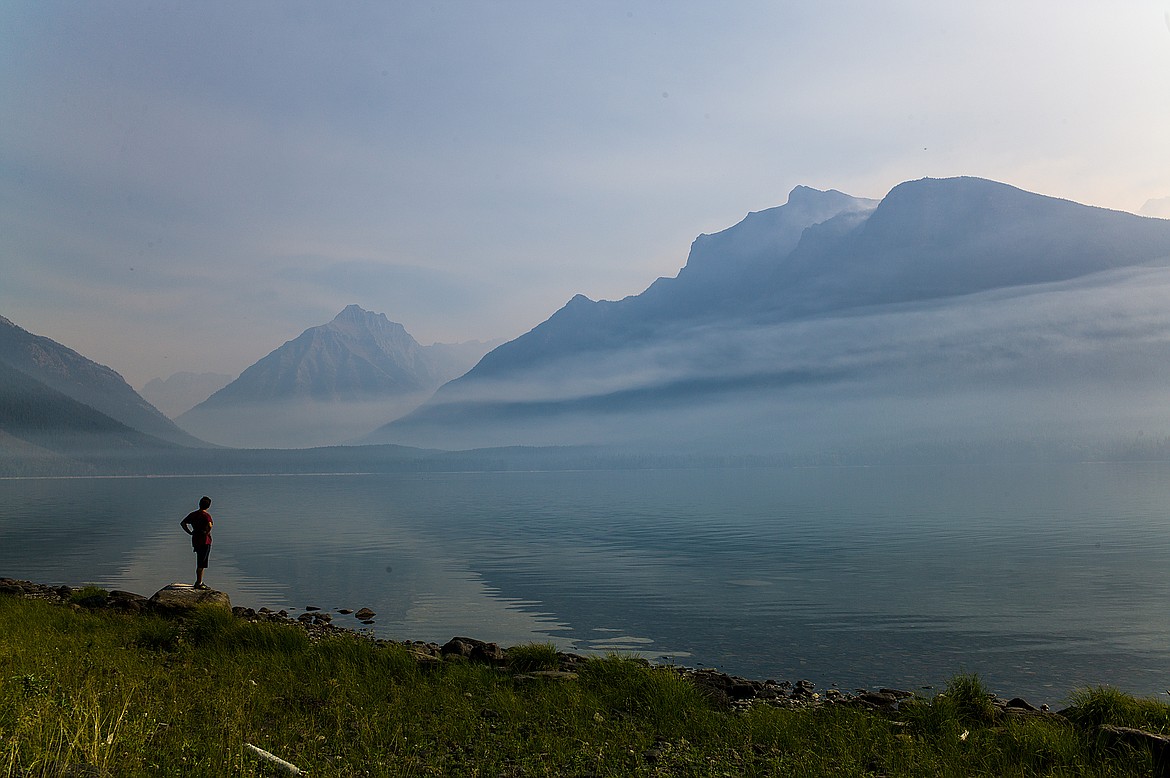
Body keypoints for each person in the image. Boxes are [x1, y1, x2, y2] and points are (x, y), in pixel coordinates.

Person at [180, 496, 214, 589]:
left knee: (200, 560)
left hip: (196, 539)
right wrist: (207, 532)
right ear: (208, 506)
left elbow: (183, 523)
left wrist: (189, 532)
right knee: (201, 563)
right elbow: (210, 525)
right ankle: (199, 582)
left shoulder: (193, 514)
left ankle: (199, 581)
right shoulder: (206, 515)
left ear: (199, 504)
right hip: (205, 540)